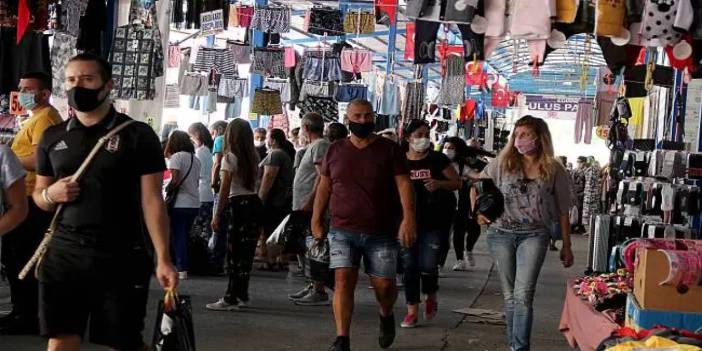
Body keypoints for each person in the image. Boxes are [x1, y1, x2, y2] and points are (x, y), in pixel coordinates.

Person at [33, 53, 177, 350]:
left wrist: (163, 257)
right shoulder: (51, 137)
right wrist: (50, 195)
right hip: (64, 254)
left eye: (88, 79)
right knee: (60, 340)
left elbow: (152, 201)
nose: (78, 86)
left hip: (122, 255)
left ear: (107, 85)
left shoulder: (138, 135)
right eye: (71, 80)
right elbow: (39, 196)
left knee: (124, 341)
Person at [312, 99, 416, 351]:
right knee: (343, 280)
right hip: (341, 229)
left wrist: (408, 218)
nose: (362, 121)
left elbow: (404, 184)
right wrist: (316, 218)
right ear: (348, 119)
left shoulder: (389, 149)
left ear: (374, 117)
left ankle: (385, 313)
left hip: (381, 230)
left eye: (367, 116)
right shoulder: (335, 149)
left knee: (384, 285)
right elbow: (324, 186)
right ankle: (342, 338)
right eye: (357, 116)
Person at [473, 115, 574, 351]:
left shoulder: (553, 168)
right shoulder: (503, 162)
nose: (520, 140)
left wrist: (566, 245)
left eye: (525, 135)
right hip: (500, 233)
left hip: (535, 235)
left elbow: (562, 210)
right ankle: (514, 344)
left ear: (539, 138)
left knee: (523, 294)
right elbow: (479, 185)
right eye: (517, 135)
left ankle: (519, 347)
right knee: (510, 296)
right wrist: (478, 213)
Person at [1, 71, 62, 335]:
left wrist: (7, 159)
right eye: (21, 87)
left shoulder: (46, 118)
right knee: (16, 258)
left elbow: (41, 161)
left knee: (24, 259)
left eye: (28, 88)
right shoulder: (34, 118)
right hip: (26, 195)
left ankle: (27, 316)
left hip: (33, 199)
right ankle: (21, 311)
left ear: (45, 93)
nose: (22, 92)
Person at [400, 120, 460, 328]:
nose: (423, 138)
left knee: (427, 264)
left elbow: (456, 182)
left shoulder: (438, 159)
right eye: (419, 134)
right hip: (407, 221)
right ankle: (411, 311)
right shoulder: (399, 160)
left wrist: (439, 184)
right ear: (408, 137)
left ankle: (431, 294)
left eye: (427, 134)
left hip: (434, 220)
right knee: (409, 266)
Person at [206, 119, 263, 311]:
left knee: (233, 252)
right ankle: (242, 294)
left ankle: (230, 296)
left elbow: (224, 189)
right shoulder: (253, 155)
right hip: (254, 204)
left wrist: (216, 214)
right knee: (245, 253)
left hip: (237, 205)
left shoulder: (229, 157)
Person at [287, 113, 332, 306]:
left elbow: (322, 177)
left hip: (312, 207)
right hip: (305, 206)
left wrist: (311, 202)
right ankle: (312, 284)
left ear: (305, 127)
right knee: (307, 247)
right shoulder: (314, 146)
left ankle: (319, 289)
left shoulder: (320, 145)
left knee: (315, 247)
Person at [165, 130, 202, 280]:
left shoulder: (176, 157)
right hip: (194, 203)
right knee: (185, 235)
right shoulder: (196, 159)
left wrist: (168, 189)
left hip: (180, 203)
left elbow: (174, 180)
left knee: (178, 235)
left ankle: (181, 267)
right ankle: (185, 264)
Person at [442, 137, 481, 271]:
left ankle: (461, 257)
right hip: (440, 206)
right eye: (446, 147)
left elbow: (477, 176)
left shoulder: (461, 166)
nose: (447, 150)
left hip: (460, 204)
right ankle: (438, 265)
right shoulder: (437, 162)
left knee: (466, 230)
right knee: (443, 237)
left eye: (451, 148)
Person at [258, 128, 295, 270]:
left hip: (274, 199)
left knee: (270, 229)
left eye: (267, 137)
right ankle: (279, 259)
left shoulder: (275, 155)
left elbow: (269, 177)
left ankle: (271, 260)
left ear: (272, 140)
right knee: (277, 229)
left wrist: (260, 197)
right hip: (281, 199)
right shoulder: (282, 154)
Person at [187, 122, 217, 274]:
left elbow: (197, 175)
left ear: (196, 135)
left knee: (199, 230)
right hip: (208, 194)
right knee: (206, 229)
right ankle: (206, 258)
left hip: (202, 194)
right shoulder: (208, 150)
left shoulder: (200, 152)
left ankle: (201, 259)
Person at [209, 120, 229, 270]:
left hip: (222, 184)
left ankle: (215, 262)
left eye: (213, 132)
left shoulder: (220, 140)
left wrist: (213, 182)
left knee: (217, 223)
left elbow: (217, 163)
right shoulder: (237, 142)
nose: (213, 135)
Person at [571, 156, 587, 234]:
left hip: (579, 193)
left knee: (578, 210)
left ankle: (577, 226)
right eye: (579, 162)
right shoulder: (576, 171)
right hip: (578, 194)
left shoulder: (582, 171)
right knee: (577, 210)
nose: (580, 164)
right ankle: (576, 226)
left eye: (580, 162)